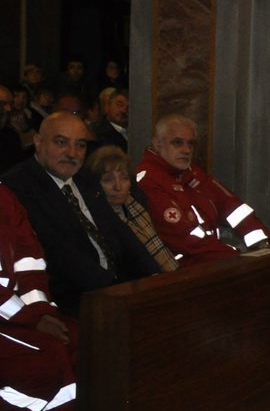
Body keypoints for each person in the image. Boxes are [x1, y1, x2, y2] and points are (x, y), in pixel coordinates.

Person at [1, 111, 160, 315]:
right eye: (61, 142)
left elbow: (119, 230)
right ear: (38, 142)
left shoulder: (85, 179)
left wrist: (153, 275)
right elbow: (57, 250)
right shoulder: (18, 186)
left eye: (81, 145)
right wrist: (114, 291)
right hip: (74, 301)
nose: (72, 153)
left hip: (117, 289)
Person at [135, 115, 270, 264]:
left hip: (214, 261)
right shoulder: (149, 181)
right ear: (157, 144)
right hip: (181, 272)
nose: (186, 150)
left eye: (190, 144)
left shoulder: (191, 172)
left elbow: (231, 206)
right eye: (177, 143)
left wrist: (262, 244)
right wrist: (234, 258)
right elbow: (186, 240)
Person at [0, 184, 76, 411]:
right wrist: (30, 319)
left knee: (74, 341)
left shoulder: (5, 197)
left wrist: (40, 312)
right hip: (8, 317)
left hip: (12, 316)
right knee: (40, 365)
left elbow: (28, 262)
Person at [89, 146, 180, 273]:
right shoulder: (97, 220)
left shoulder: (139, 205)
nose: (118, 186)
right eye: (108, 180)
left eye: (124, 178)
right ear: (96, 184)